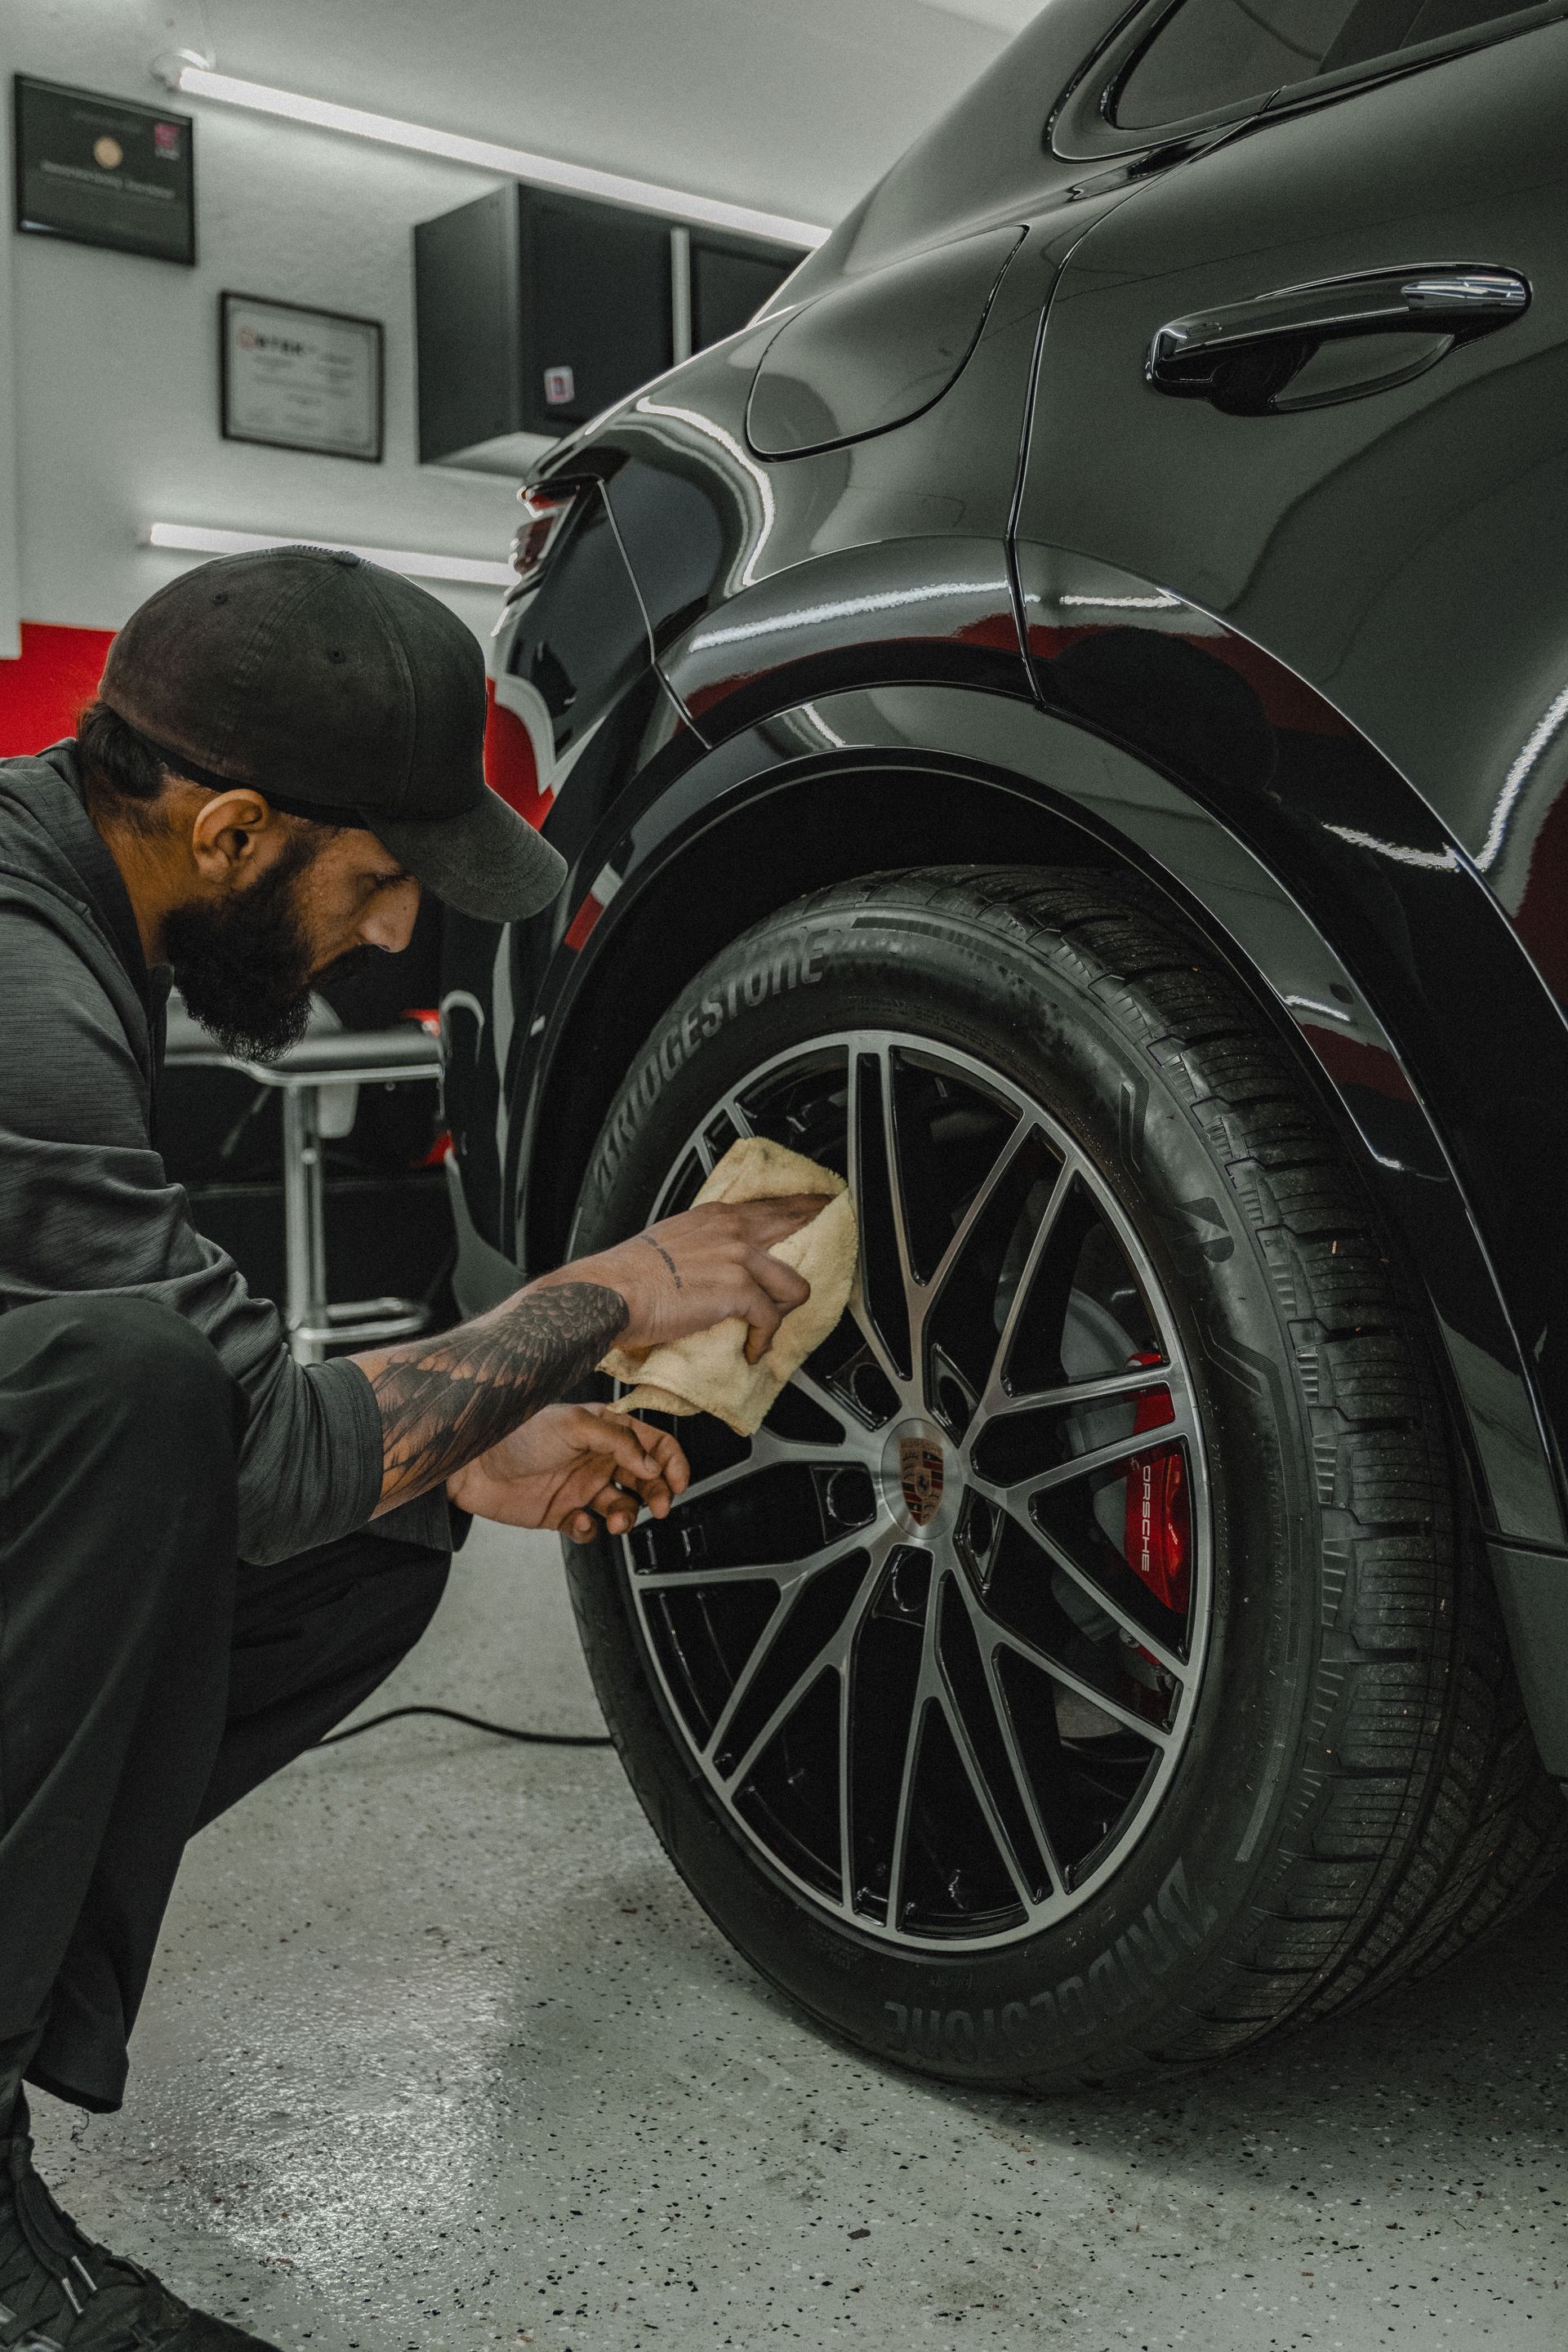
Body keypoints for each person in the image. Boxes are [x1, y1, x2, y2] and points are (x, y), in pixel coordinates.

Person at [0, 548, 817, 2351]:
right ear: (230, 832)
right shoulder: (23, 999)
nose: (392, 937)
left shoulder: (69, 900)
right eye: (377, 881)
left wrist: (451, 1447)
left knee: (364, 1541)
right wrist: (609, 1293)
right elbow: (191, 1424)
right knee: (139, 1395)